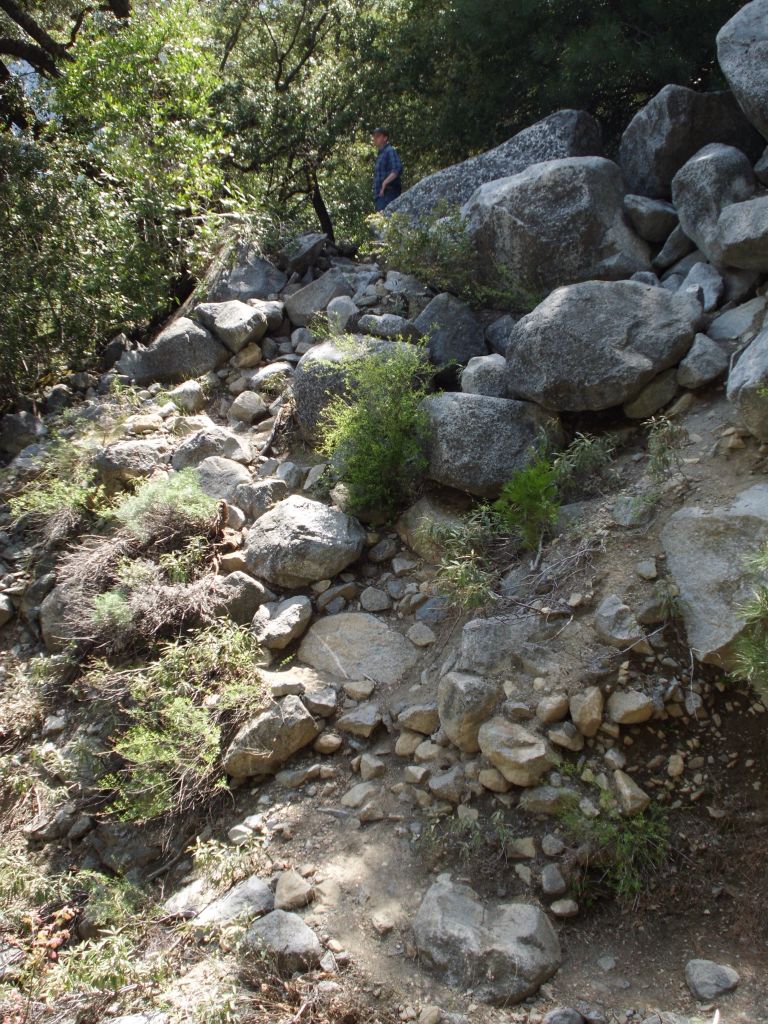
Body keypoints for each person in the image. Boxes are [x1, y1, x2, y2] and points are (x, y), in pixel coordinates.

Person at [372, 127, 403, 211]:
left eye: (378, 136)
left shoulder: (389, 151)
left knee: (387, 221)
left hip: (388, 193)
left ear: (385, 138)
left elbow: (397, 168)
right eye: (374, 137)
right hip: (380, 196)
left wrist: (385, 183)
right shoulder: (381, 154)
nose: (375, 139)